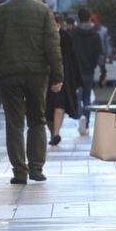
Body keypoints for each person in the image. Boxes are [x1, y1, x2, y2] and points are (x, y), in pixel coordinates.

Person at [0, 0, 64, 184]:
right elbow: (52, 46)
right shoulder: (43, 11)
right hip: (37, 75)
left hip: (9, 74)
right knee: (37, 119)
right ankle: (36, 168)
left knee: (14, 122)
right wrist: (58, 75)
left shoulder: (0, 12)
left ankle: (19, 171)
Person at [48, 13, 82, 146]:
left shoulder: (46, 35)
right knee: (58, 105)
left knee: (51, 106)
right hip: (64, 77)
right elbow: (73, 58)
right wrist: (77, 79)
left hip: (50, 77)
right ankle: (55, 133)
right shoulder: (66, 36)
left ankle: (54, 133)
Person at [70, 8, 104, 135]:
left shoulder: (74, 34)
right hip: (89, 70)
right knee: (87, 97)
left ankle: (80, 115)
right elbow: (100, 55)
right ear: (90, 18)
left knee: (77, 96)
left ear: (79, 19)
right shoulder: (95, 35)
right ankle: (87, 123)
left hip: (76, 71)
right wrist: (103, 71)